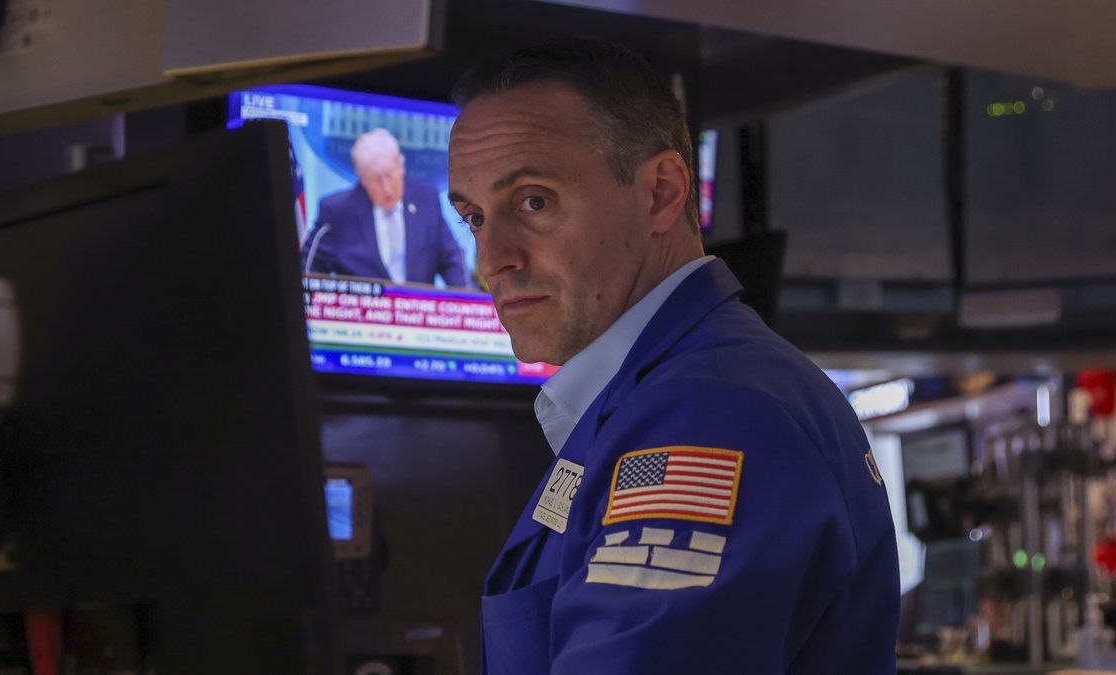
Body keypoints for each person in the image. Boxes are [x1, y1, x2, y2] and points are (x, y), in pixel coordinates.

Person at [448, 39, 899, 674]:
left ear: (661, 192)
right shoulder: (666, 397)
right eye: (473, 218)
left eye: (534, 202)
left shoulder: (709, 414)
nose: (491, 261)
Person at [300, 128, 467, 286]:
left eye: (389, 175)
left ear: (401, 166)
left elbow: (453, 260)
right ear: (362, 178)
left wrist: (467, 303)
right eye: (375, 179)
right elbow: (308, 271)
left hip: (418, 312)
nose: (386, 188)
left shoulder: (427, 201)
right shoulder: (337, 212)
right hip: (363, 313)